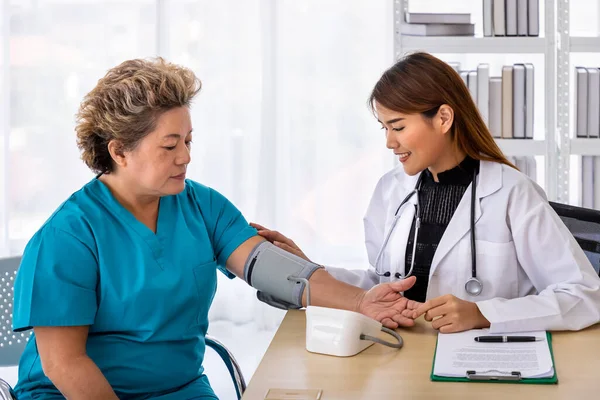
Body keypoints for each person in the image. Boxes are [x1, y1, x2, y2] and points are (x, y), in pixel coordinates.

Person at [11, 58, 419, 400]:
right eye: (169, 146)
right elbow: (64, 362)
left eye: (189, 141)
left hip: (181, 389)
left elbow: (272, 268)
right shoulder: (68, 236)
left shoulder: (200, 204)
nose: (186, 157)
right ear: (119, 151)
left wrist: (361, 301)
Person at [252, 52, 600, 335]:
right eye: (384, 128)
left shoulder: (512, 193)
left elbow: (584, 294)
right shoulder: (391, 190)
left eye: (399, 126)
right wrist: (311, 271)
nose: (390, 142)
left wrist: (483, 313)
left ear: (444, 118)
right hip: (401, 348)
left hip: (482, 357)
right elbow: (385, 282)